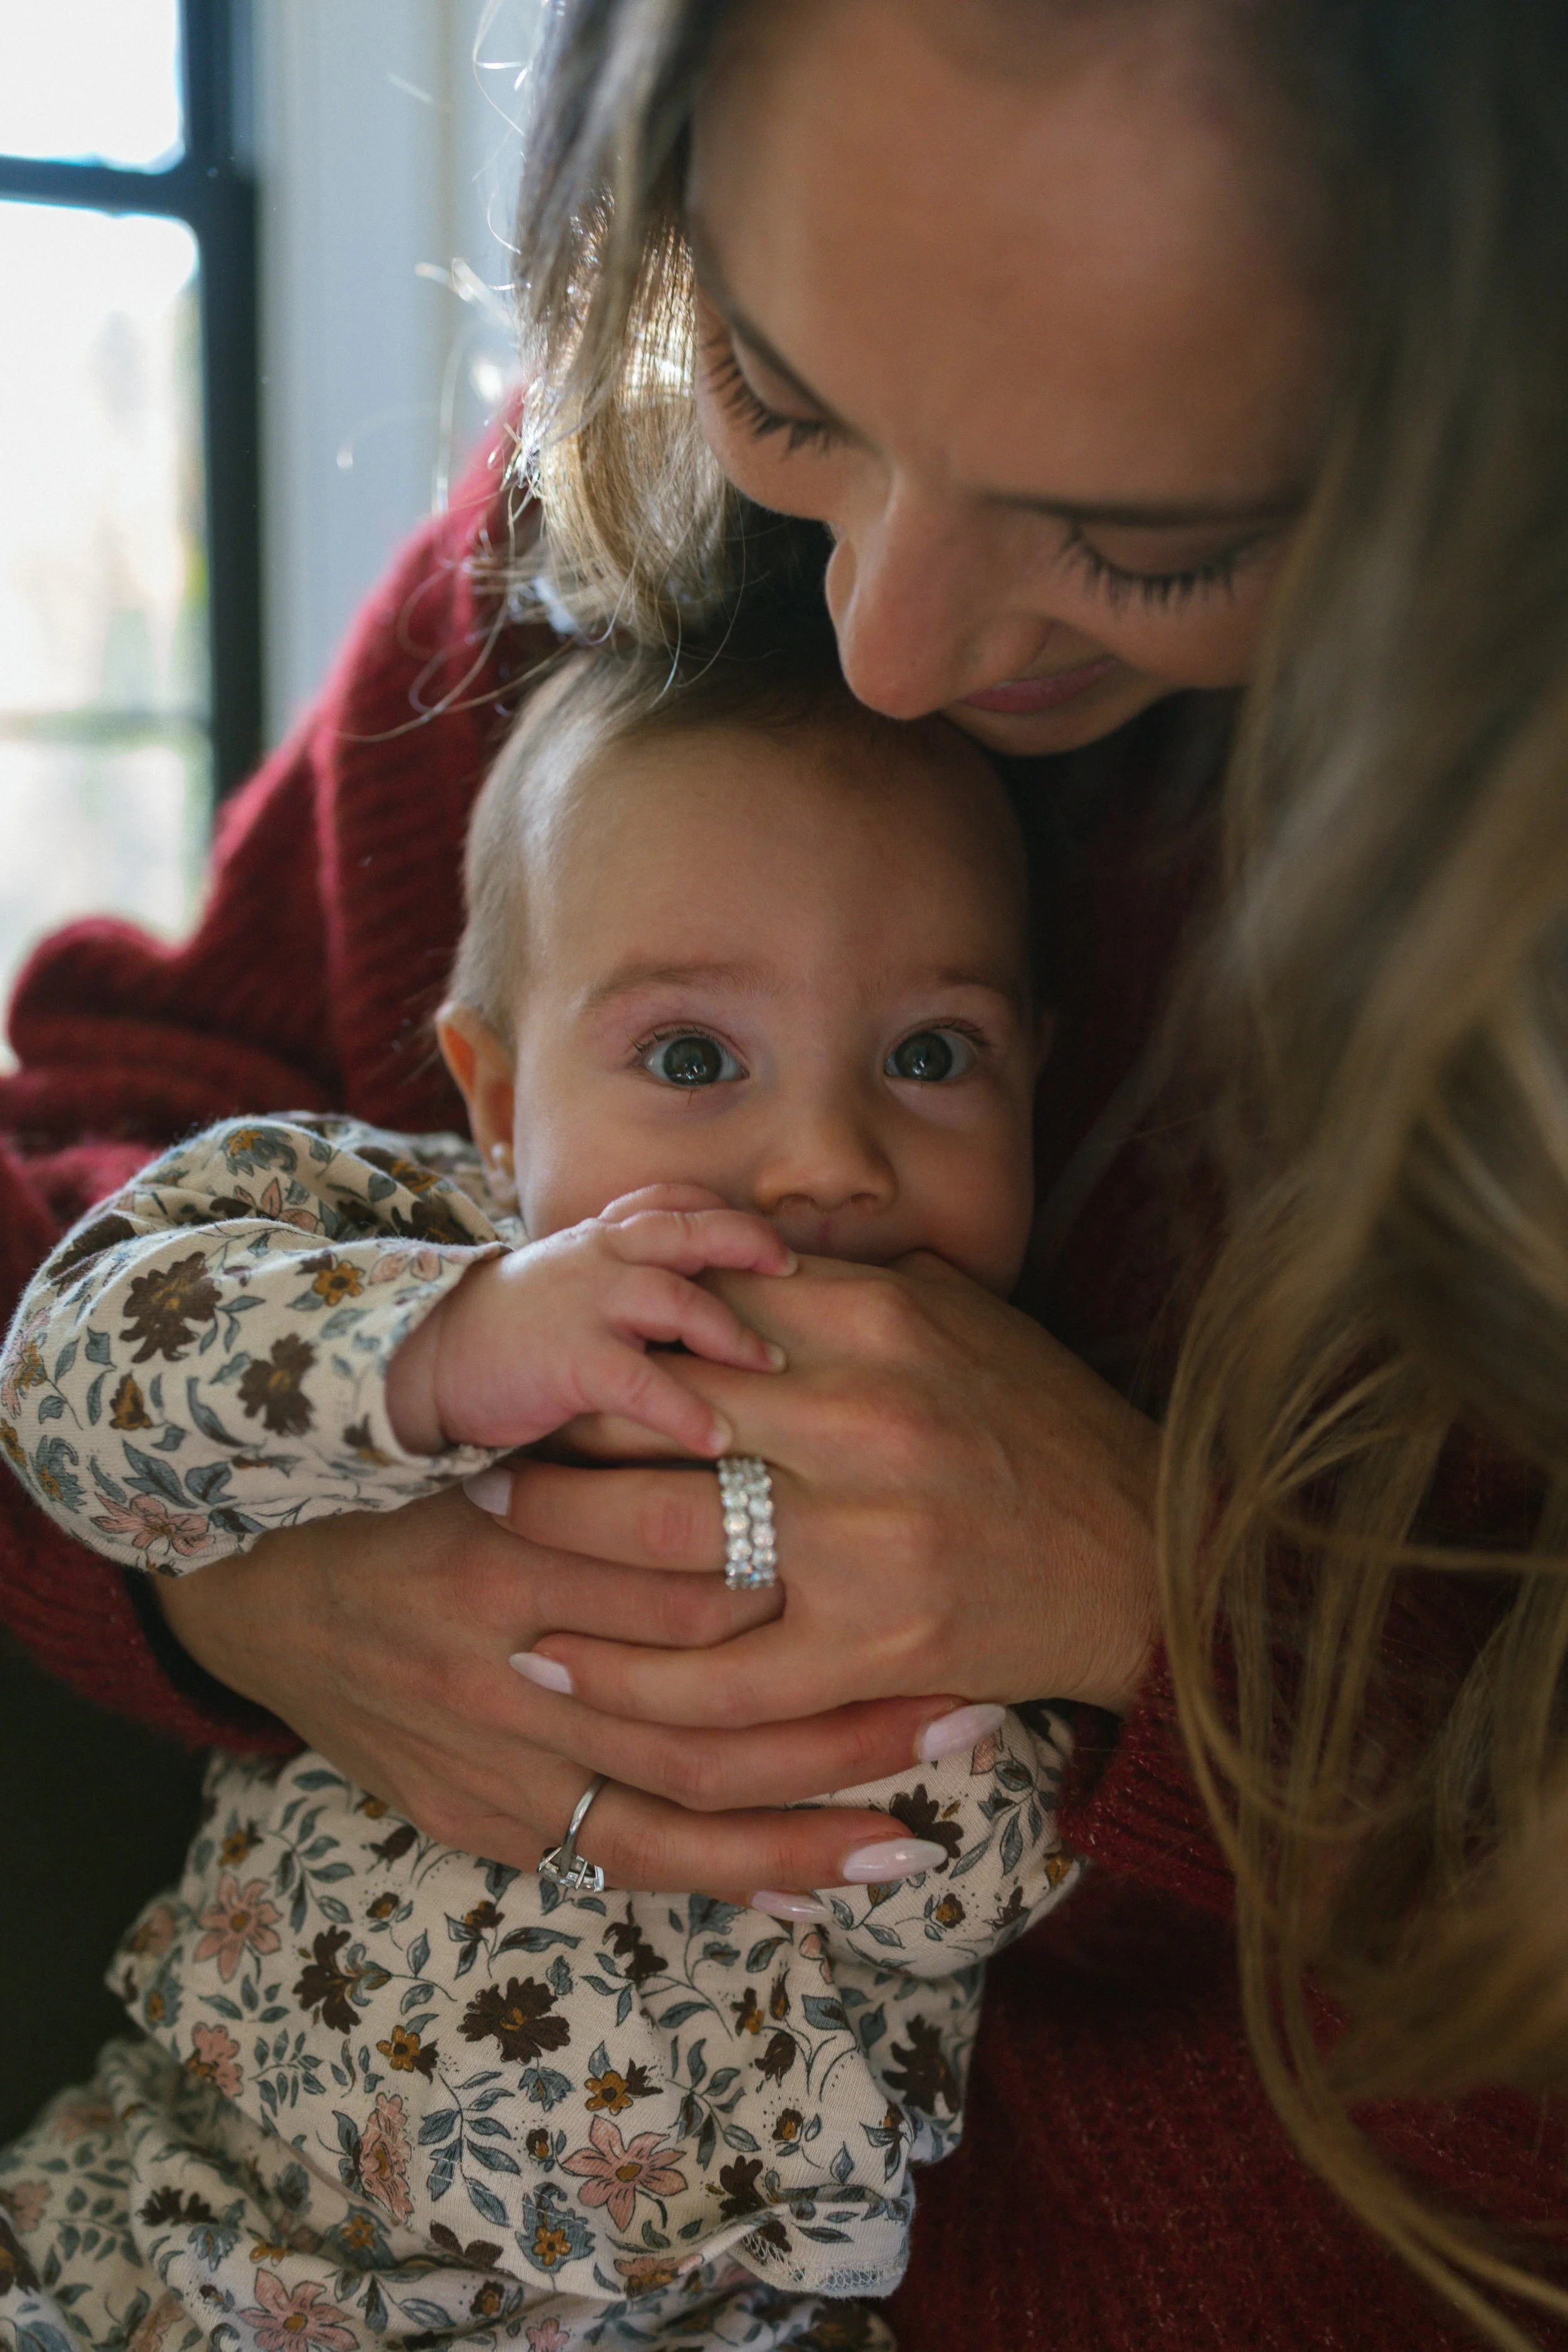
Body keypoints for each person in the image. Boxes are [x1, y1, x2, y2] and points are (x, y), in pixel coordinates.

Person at [3, 2, 1566, 2346]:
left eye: (1147, 544)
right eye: (787, 383)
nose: (885, 641)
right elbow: (73, 1206)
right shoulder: (588, 559)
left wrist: (1170, 1616)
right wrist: (261, 1563)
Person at [0, 636, 1079, 2351]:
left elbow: (990, 1888)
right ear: (499, 1098)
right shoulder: (391, 1236)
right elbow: (73, 1378)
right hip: (208, 2241)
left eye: (931, 1058)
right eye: (689, 1058)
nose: (827, 1159)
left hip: (702, 2312)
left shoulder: (1001, 1470)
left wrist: (921, 1714)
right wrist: (431, 1356)